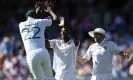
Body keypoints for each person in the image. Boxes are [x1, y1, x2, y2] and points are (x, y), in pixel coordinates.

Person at [19, 2, 60, 80]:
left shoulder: (21, 24)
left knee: (39, 78)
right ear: (36, 16)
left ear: (27, 17)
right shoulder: (41, 21)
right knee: (50, 77)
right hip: (43, 52)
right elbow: (57, 21)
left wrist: (36, 12)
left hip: (31, 55)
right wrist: (50, 11)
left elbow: (31, 21)